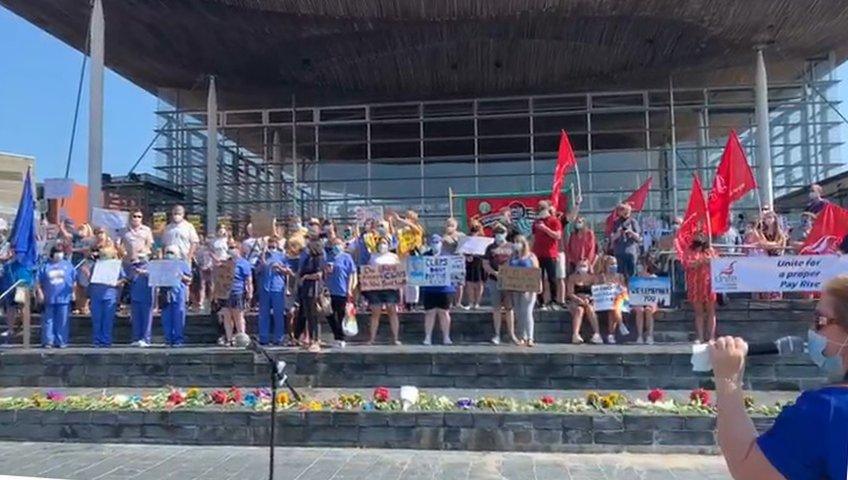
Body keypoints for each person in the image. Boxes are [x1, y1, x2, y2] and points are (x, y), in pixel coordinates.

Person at [710, 275, 848, 480]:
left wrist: (727, 379)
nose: (812, 331)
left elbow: (748, 469)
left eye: (820, 322)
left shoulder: (824, 411)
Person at [483, 223, 518, 345]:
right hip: (494, 280)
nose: (499, 235)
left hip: (509, 281)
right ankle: (497, 334)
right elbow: (485, 264)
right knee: (496, 308)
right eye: (497, 232)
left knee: (509, 308)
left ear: (506, 233)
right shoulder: (490, 248)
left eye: (501, 232)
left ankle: (512, 334)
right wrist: (494, 272)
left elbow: (518, 262)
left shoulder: (512, 247)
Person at [36, 245, 76, 348]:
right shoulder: (45, 266)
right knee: (48, 320)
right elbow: (38, 281)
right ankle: (48, 341)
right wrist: (40, 293)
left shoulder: (68, 265)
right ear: (52, 253)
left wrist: (73, 293)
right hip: (49, 298)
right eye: (57, 252)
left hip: (64, 298)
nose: (59, 254)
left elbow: (74, 280)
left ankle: (61, 341)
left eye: (61, 252)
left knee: (62, 321)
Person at [365, 237, 402, 345]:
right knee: (375, 312)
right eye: (381, 243)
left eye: (385, 243)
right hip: (376, 288)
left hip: (390, 288)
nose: (382, 245)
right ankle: (372, 339)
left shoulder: (394, 256)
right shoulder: (373, 256)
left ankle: (395, 338)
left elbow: (399, 272)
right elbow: (368, 271)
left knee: (392, 311)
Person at [86, 245, 125, 347]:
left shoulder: (116, 265)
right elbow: (91, 279)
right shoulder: (96, 265)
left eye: (105, 255)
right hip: (96, 295)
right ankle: (97, 340)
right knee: (97, 319)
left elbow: (123, 278)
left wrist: (116, 282)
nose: (103, 256)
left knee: (107, 320)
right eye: (102, 254)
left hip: (110, 295)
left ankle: (106, 340)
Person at [682, 233, 716, 344]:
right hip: (695, 284)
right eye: (697, 234)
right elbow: (687, 264)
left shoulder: (710, 250)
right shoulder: (689, 250)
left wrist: (711, 260)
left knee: (711, 311)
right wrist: (700, 262)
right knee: (699, 312)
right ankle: (700, 336)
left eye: (702, 234)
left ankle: (711, 337)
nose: (699, 236)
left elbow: (719, 264)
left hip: (709, 284)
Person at [255, 236, 290, 345]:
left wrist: (280, 268)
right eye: (270, 243)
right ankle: (263, 338)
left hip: (277, 288)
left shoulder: (282, 256)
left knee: (278, 314)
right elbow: (256, 270)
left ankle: (278, 338)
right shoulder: (263, 256)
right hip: (265, 288)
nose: (272, 245)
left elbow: (288, 271)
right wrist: (262, 259)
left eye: (274, 243)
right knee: (263, 314)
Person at [421, 234, 454, 346]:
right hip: (429, 289)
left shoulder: (447, 256)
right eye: (433, 242)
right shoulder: (425, 256)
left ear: (441, 243)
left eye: (437, 242)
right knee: (429, 313)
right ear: (429, 244)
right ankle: (428, 336)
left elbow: (455, 272)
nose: (435, 244)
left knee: (444, 313)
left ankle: (446, 336)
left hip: (445, 289)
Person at [508, 235, 539, 346]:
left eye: (519, 242)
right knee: (518, 313)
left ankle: (530, 337)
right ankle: (522, 336)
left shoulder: (531, 256)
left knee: (527, 312)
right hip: (515, 289)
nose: (516, 244)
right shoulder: (512, 256)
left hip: (529, 289)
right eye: (515, 242)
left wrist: (536, 287)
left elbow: (536, 272)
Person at [220, 243, 253, 346]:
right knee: (227, 316)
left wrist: (249, 292)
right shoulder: (226, 262)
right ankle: (229, 339)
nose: (231, 250)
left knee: (238, 316)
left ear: (238, 249)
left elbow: (248, 280)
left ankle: (242, 338)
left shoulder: (244, 263)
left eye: (233, 247)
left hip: (238, 291)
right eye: (230, 247)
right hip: (225, 292)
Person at [159, 245, 192, 347]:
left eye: (172, 253)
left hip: (179, 293)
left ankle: (178, 339)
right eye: (168, 252)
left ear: (177, 254)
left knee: (179, 316)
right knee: (166, 317)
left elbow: (189, 280)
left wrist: (181, 275)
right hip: (165, 293)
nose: (169, 255)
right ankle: (168, 339)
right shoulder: (161, 265)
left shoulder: (183, 264)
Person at [325, 237, 356, 348]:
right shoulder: (329, 257)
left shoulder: (347, 257)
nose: (336, 246)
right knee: (329, 314)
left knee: (341, 314)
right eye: (334, 244)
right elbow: (324, 273)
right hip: (330, 290)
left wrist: (350, 288)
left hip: (342, 290)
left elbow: (352, 273)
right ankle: (336, 334)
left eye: (339, 244)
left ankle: (341, 337)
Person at [532, 200, 562, 310]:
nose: (539, 212)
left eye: (541, 210)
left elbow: (557, 236)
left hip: (550, 254)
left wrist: (545, 229)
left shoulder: (554, 221)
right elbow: (534, 237)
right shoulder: (536, 222)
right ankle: (540, 301)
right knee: (538, 279)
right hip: (537, 254)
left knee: (552, 278)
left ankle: (554, 300)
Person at [296, 238, 326, 352]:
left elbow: (318, 275)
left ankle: (316, 339)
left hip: (314, 289)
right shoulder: (307, 258)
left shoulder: (318, 258)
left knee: (314, 315)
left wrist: (305, 277)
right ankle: (310, 339)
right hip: (306, 289)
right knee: (308, 315)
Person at [566, 259, 603, 344]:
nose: (582, 268)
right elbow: (570, 293)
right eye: (580, 266)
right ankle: (575, 335)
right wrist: (578, 299)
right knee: (579, 310)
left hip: (589, 300)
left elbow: (597, 292)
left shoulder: (593, 278)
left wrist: (589, 299)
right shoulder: (572, 277)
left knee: (590, 309)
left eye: (584, 266)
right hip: (575, 300)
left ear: (588, 267)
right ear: (576, 267)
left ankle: (597, 334)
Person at [595, 254, 628, 344]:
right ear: (606, 265)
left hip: (619, 300)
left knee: (614, 307)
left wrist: (620, 287)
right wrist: (606, 286)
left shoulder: (620, 276)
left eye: (615, 263)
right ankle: (619, 325)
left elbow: (625, 289)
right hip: (606, 301)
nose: (614, 266)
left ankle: (611, 334)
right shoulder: (602, 277)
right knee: (612, 308)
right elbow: (597, 290)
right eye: (611, 264)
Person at [127, 253, 154, 347]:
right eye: (139, 257)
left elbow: (154, 277)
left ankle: (146, 339)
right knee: (136, 319)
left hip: (146, 296)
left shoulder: (151, 266)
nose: (140, 259)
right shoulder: (133, 267)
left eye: (142, 257)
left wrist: (143, 272)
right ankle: (136, 338)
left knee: (146, 319)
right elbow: (129, 279)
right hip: (135, 295)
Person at [609, 203, 642, 279]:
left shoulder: (633, 222)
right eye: (621, 210)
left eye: (626, 210)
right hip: (619, 252)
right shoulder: (616, 222)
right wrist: (619, 233)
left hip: (630, 251)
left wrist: (630, 232)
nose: (624, 212)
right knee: (620, 274)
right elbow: (612, 238)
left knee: (632, 273)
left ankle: (631, 288)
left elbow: (639, 237)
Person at [631, 257, 657, 345]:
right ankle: (639, 336)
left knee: (648, 310)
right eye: (638, 265)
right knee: (640, 310)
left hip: (650, 302)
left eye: (641, 265)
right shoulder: (634, 278)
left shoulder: (653, 277)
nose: (639, 267)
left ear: (646, 266)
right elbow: (631, 292)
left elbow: (657, 293)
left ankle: (650, 335)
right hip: (638, 302)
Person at [441, 218, 466, 308]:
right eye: (448, 225)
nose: (450, 227)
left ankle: (458, 302)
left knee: (459, 284)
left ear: (456, 226)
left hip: (458, 263)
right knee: (448, 283)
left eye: (452, 225)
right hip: (447, 263)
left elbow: (463, 246)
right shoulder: (444, 237)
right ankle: (449, 302)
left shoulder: (461, 235)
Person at [463, 221, 487, 310]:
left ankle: (477, 302)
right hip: (470, 262)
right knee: (469, 283)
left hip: (480, 262)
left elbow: (486, 252)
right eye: (473, 227)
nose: (474, 229)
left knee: (479, 283)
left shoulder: (483, 239)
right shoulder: (466, 238)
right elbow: (462, 250)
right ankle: (471, 302)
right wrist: (466, 256)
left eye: (476, 227)